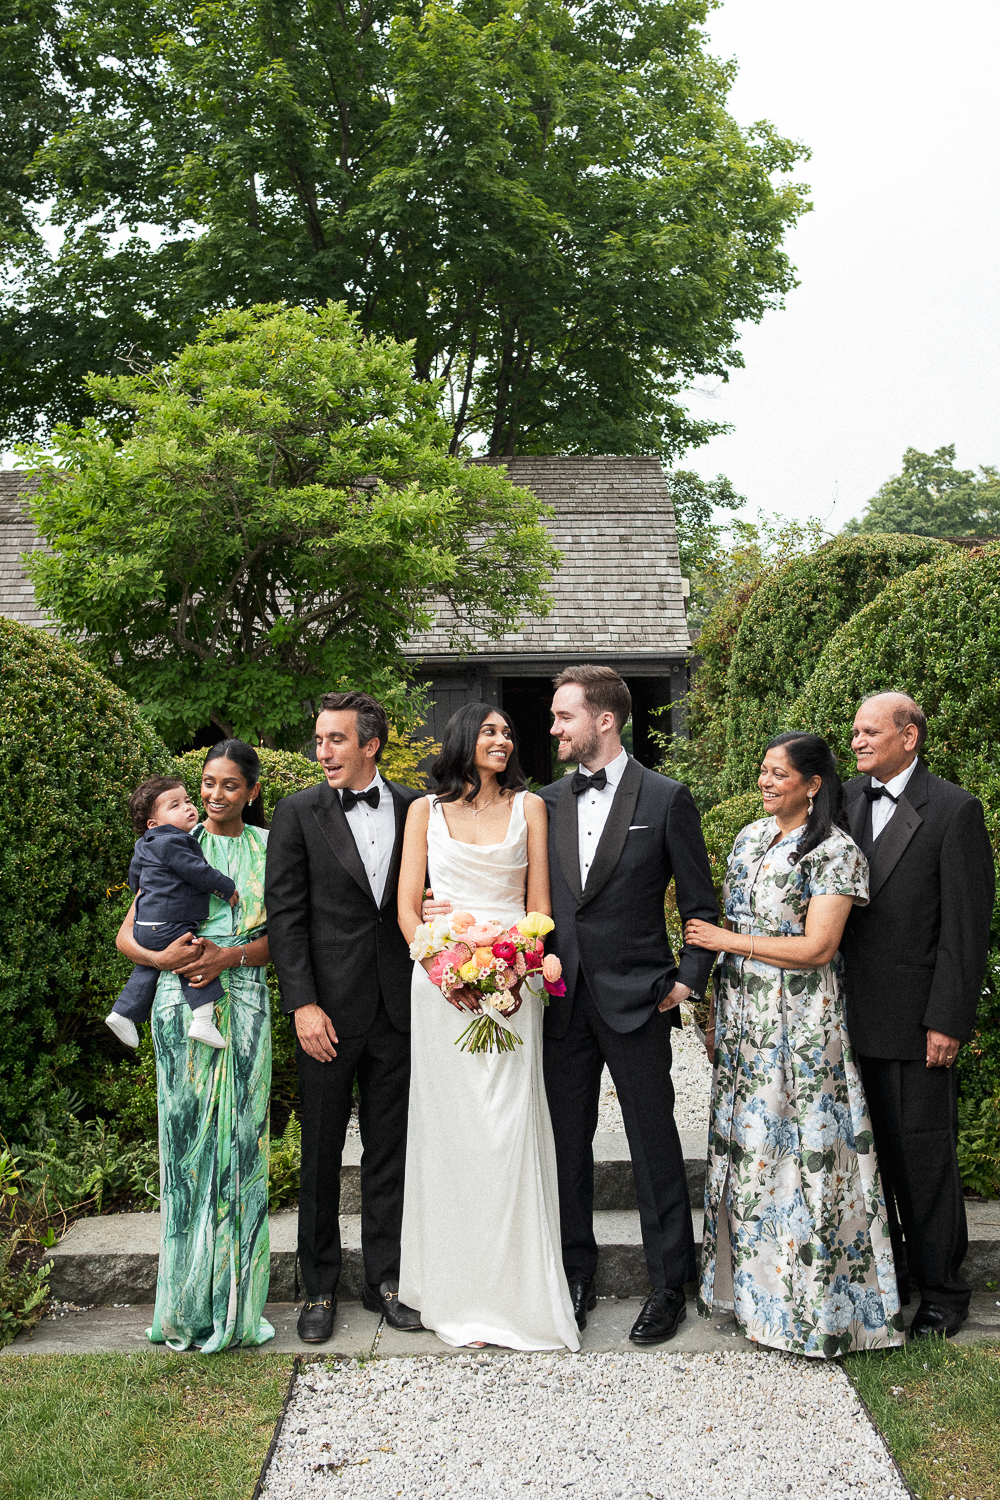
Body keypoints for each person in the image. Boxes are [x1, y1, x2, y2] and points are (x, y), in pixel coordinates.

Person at [686, 732, 904, 1357]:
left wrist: (728, 942)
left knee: (803, 1152)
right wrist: (713, 1014)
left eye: (780, 773)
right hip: (743, 1018)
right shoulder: (750, 838)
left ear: (813, 784)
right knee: (750, 1152)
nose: (766, 781)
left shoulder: (835, 850)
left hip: (803, 1026)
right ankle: (754, 1300)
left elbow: (817, 949)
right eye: (763, 771)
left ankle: (818, 1310)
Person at [541, 665, 718, 1346]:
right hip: (562, 1002)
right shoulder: (546, 801)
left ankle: (669, 1284)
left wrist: (686, 980)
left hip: (641, 1001)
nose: (553, 728)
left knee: (654, 1145)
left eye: (564, 716)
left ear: (604, 720)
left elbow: (701, 905)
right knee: (566, 1148)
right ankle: (575, 1275)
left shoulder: (668, 798)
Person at [397, 702, 580, 1351]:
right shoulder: (424, 812)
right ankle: (454, 1291)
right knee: (450, 1135)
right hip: (442, 989)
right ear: (462, 739)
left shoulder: (532, 808)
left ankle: (514, 1295)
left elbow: (539, 906)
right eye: (491, 729)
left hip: (513, 982)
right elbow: (406, 910)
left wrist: (510, 967)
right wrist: (449, 970)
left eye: (508, 730)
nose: (503, 738)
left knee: (507, 1131)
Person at [265, 691, 424, 1343]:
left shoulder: (418, 808)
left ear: (370, 745)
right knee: (322, 1154)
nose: (322, 752)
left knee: (390, 1153)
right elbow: (285, 915)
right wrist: (302, 1002)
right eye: (320, 740)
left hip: (400, 1009)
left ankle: (385, 1281)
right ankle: (320, 1288)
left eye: (335, 740)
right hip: (325, 1013)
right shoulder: (298, 813)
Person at [840, 692, 994, 1340]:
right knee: (867, 1165)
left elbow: (965, 929)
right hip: (846, 1020)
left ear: (910, 736)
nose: (857, 741)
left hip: (915, 1021)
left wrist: (948, 1022)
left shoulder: (954, 811)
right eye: (853, 732)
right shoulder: (842, 800)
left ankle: (943, 1291)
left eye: (870, 732)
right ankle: (891, 1277)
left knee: (924, 1163)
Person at [115, 740, 274, 1353]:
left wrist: (228, 955)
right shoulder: (174, 838)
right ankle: (183, 1309)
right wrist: (162, 958)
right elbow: (128, 933)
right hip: (178, 1005)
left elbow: (287, 934)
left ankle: (237, 1311)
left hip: (247, 1002)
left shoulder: (268, 848)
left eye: (229, 785)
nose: (213, 795)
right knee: (185, 1152)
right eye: (206, 782)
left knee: (241, 1146)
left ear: (251, 792)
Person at [106, 776, 239, 1051]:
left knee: (147, 968)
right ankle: (203, 1019)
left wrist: (148, 890)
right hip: (168, 922)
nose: (187, 807)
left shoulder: (146, 844)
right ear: (154, 824)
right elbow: (197, 871)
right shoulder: (172, 842)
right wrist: (224, 887)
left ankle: (123, 1013)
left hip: (147, 924)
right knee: (194, 956)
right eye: (175, 805)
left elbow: (136, 879)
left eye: (188, 801)